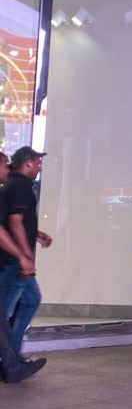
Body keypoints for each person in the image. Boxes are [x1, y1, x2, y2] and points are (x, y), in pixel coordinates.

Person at [0, 146, 53, 353]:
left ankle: (12, 354)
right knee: (6, 309)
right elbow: (14, 222)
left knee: (31, 300)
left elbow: (13, 219)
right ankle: (9, 357)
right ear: (28, 163)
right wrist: (25, 257)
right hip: (14, 260)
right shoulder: (21, 186)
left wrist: (36, 234)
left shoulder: (14, 186)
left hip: (15, 258)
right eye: (38, 163)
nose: (39, 167)